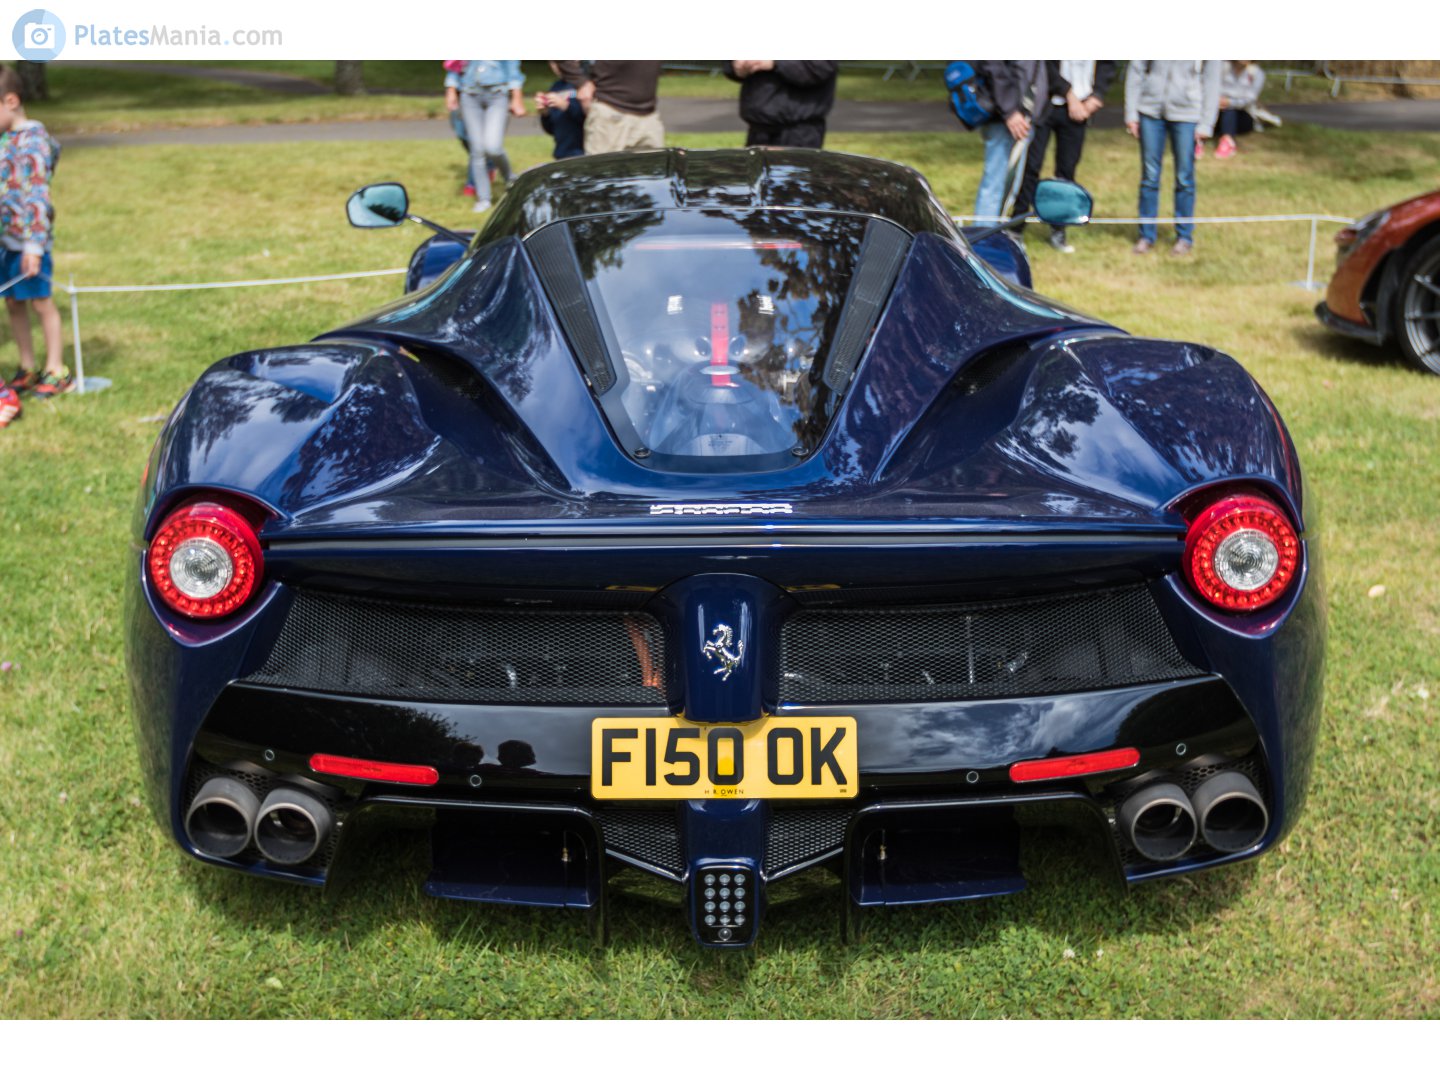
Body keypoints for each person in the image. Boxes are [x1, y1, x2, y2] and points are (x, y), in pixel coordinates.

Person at [0, 65, 66, 399]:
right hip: (5, 242)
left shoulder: (34, 140)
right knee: (13, 302)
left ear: (10, 100)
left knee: (41, 302)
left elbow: (37, 195)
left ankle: (56, 369)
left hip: (30, 243)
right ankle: (27, 367)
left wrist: (34, 246)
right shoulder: (5, 139)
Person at [1013, 61, 1117, 253]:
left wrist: (1096, 97)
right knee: (1031, 167)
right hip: (1046, 106)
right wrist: (1069, 94)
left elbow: (1107, 67)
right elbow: (1046, 66)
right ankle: (1015, 228)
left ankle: (1058, 229)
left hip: (1081, 110)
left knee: (1066, 171)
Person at [1125, 60, 1222, 257]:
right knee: (1149, 177)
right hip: (1150, 111)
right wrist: (1131, 113)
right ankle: (1146, 236)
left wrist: (1206, 123)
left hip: (1187, 115)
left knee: (1184, 178)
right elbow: (1136, 69)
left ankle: (1184, 237)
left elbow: (1212, 80)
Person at [443, 61, 526, 213]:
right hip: (469, 95)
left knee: (493, 147)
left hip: (498, 95)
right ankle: (484, 199)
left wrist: (516, 97)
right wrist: (451, 90)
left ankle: (510, 179)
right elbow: (454, 65)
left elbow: (513, 69)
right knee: (477, 150)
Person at [972, 62, 1047, 225]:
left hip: (1022, 115)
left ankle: (993, 233)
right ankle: (982, 239)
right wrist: (1010, 111)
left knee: (1010, 183)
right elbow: (994, 67)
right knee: (995, 183)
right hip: (1007, 118)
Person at [723, 60, 838, 149]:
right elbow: (729, 65)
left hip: (798, 133)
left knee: (793, 178)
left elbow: (818, 68)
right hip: (758, 130)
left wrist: (775, 62)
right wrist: (736, 66)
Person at [557, 62, 664, 154]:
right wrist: (581, 83)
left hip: (649, 116)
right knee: (602, 174)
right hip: (610, 113)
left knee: (654, 174)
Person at [1214, 61, 1267, 160]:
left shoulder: (1256, 73)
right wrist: (1217, 101)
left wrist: (1229, 101)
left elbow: (1249, 99)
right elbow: (1212, 88)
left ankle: (1227, 141)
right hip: (1218, 111)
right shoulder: (1223, 68)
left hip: (1242, 116)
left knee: (1230, 109)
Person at [534, 62, 585, 160]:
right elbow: (551, 129)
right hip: (562, 153)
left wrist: (566, 105)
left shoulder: (585, 85)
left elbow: (590, 118)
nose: (556, 66)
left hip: (582, 152)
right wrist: (545, 114)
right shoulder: (556, 87)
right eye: (553, 62)